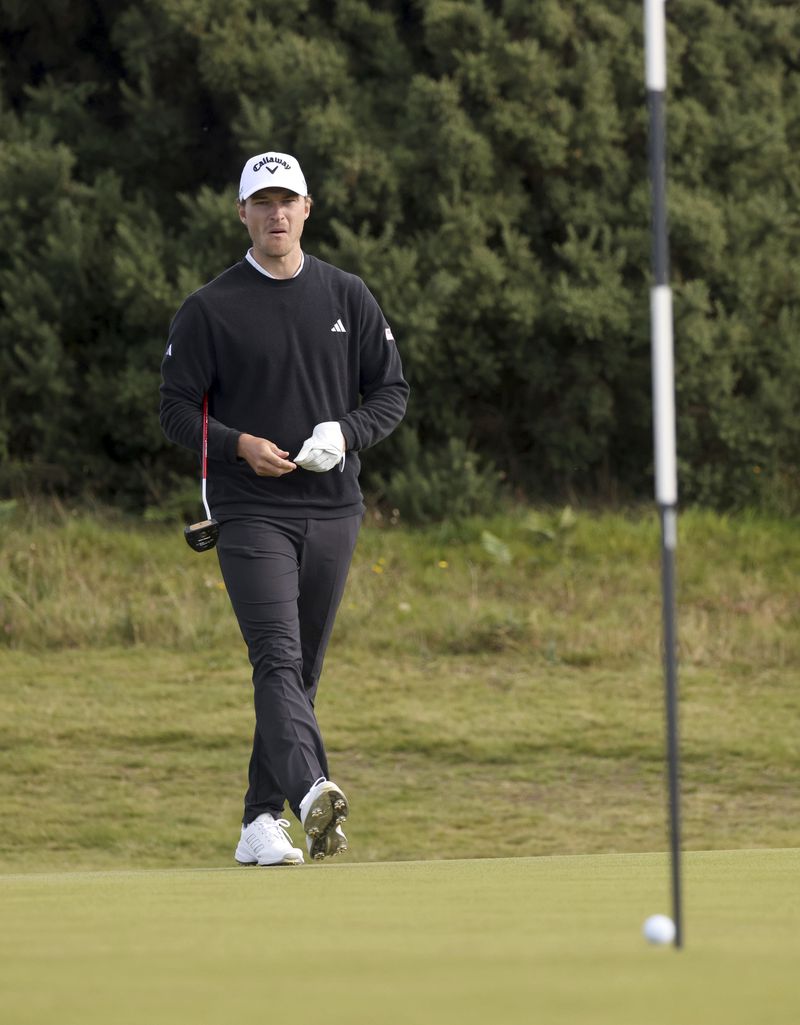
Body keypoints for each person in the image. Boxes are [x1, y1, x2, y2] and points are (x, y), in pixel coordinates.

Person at [159, 151, 409, 866]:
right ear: (242, 213)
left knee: (300, 674)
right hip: (248, 508)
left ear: (307, 209)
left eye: (286, 200)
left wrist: (346, 432)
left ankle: (257, 821)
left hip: (334, 507)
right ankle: (310, 793)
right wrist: (238, 445)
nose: (275, 213)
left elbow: (390, 392)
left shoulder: (346, 294)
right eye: (261, 202)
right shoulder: (211, 307)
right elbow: (176, 412)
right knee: (276, 655)